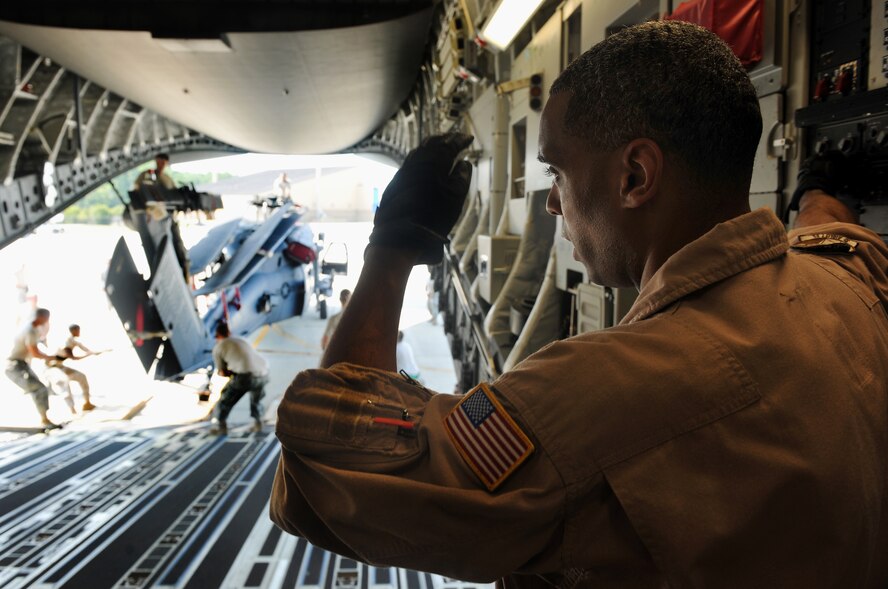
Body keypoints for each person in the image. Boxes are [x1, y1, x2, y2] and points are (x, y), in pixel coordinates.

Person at [271, 21, 888, 588]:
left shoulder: (607, 394)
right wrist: (819, 190)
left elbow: (326, 468)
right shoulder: (844, 290)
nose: (552, 204)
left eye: (558, 172)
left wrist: (391, 250)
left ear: (635, 177)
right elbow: (832, 236)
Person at [6, 308, 61, 429]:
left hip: (20, 364)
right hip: (14, 365)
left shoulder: (30, 328)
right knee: (39, 388)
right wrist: (52, 357)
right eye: (47, 318)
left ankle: (44, 418)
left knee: (39, 388)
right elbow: (35, 353)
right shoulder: (30, 330)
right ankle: (44, 420)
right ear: (42, 317)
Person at [210, 322, 269, 435]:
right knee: (256, 401)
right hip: (264, 373)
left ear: (217, 336)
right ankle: (258, 424)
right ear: (229, 332)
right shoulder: (241, 340)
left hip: (245, 377)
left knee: (225, 400)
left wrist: (231, 372)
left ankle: (221, 427)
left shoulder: (218, 347)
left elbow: (222, 373)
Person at [46, 324, 100, 413]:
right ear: (74, 330)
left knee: (82, 377)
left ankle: (87, 403)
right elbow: (73, 357)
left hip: (60, 366)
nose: (79, 332)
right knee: (64, 385)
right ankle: (72, 410)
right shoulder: (66, 342)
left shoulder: (73, 340)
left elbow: (85, 348)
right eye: (78, 330)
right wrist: (88, 355)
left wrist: (93, 352)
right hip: (52, 368)